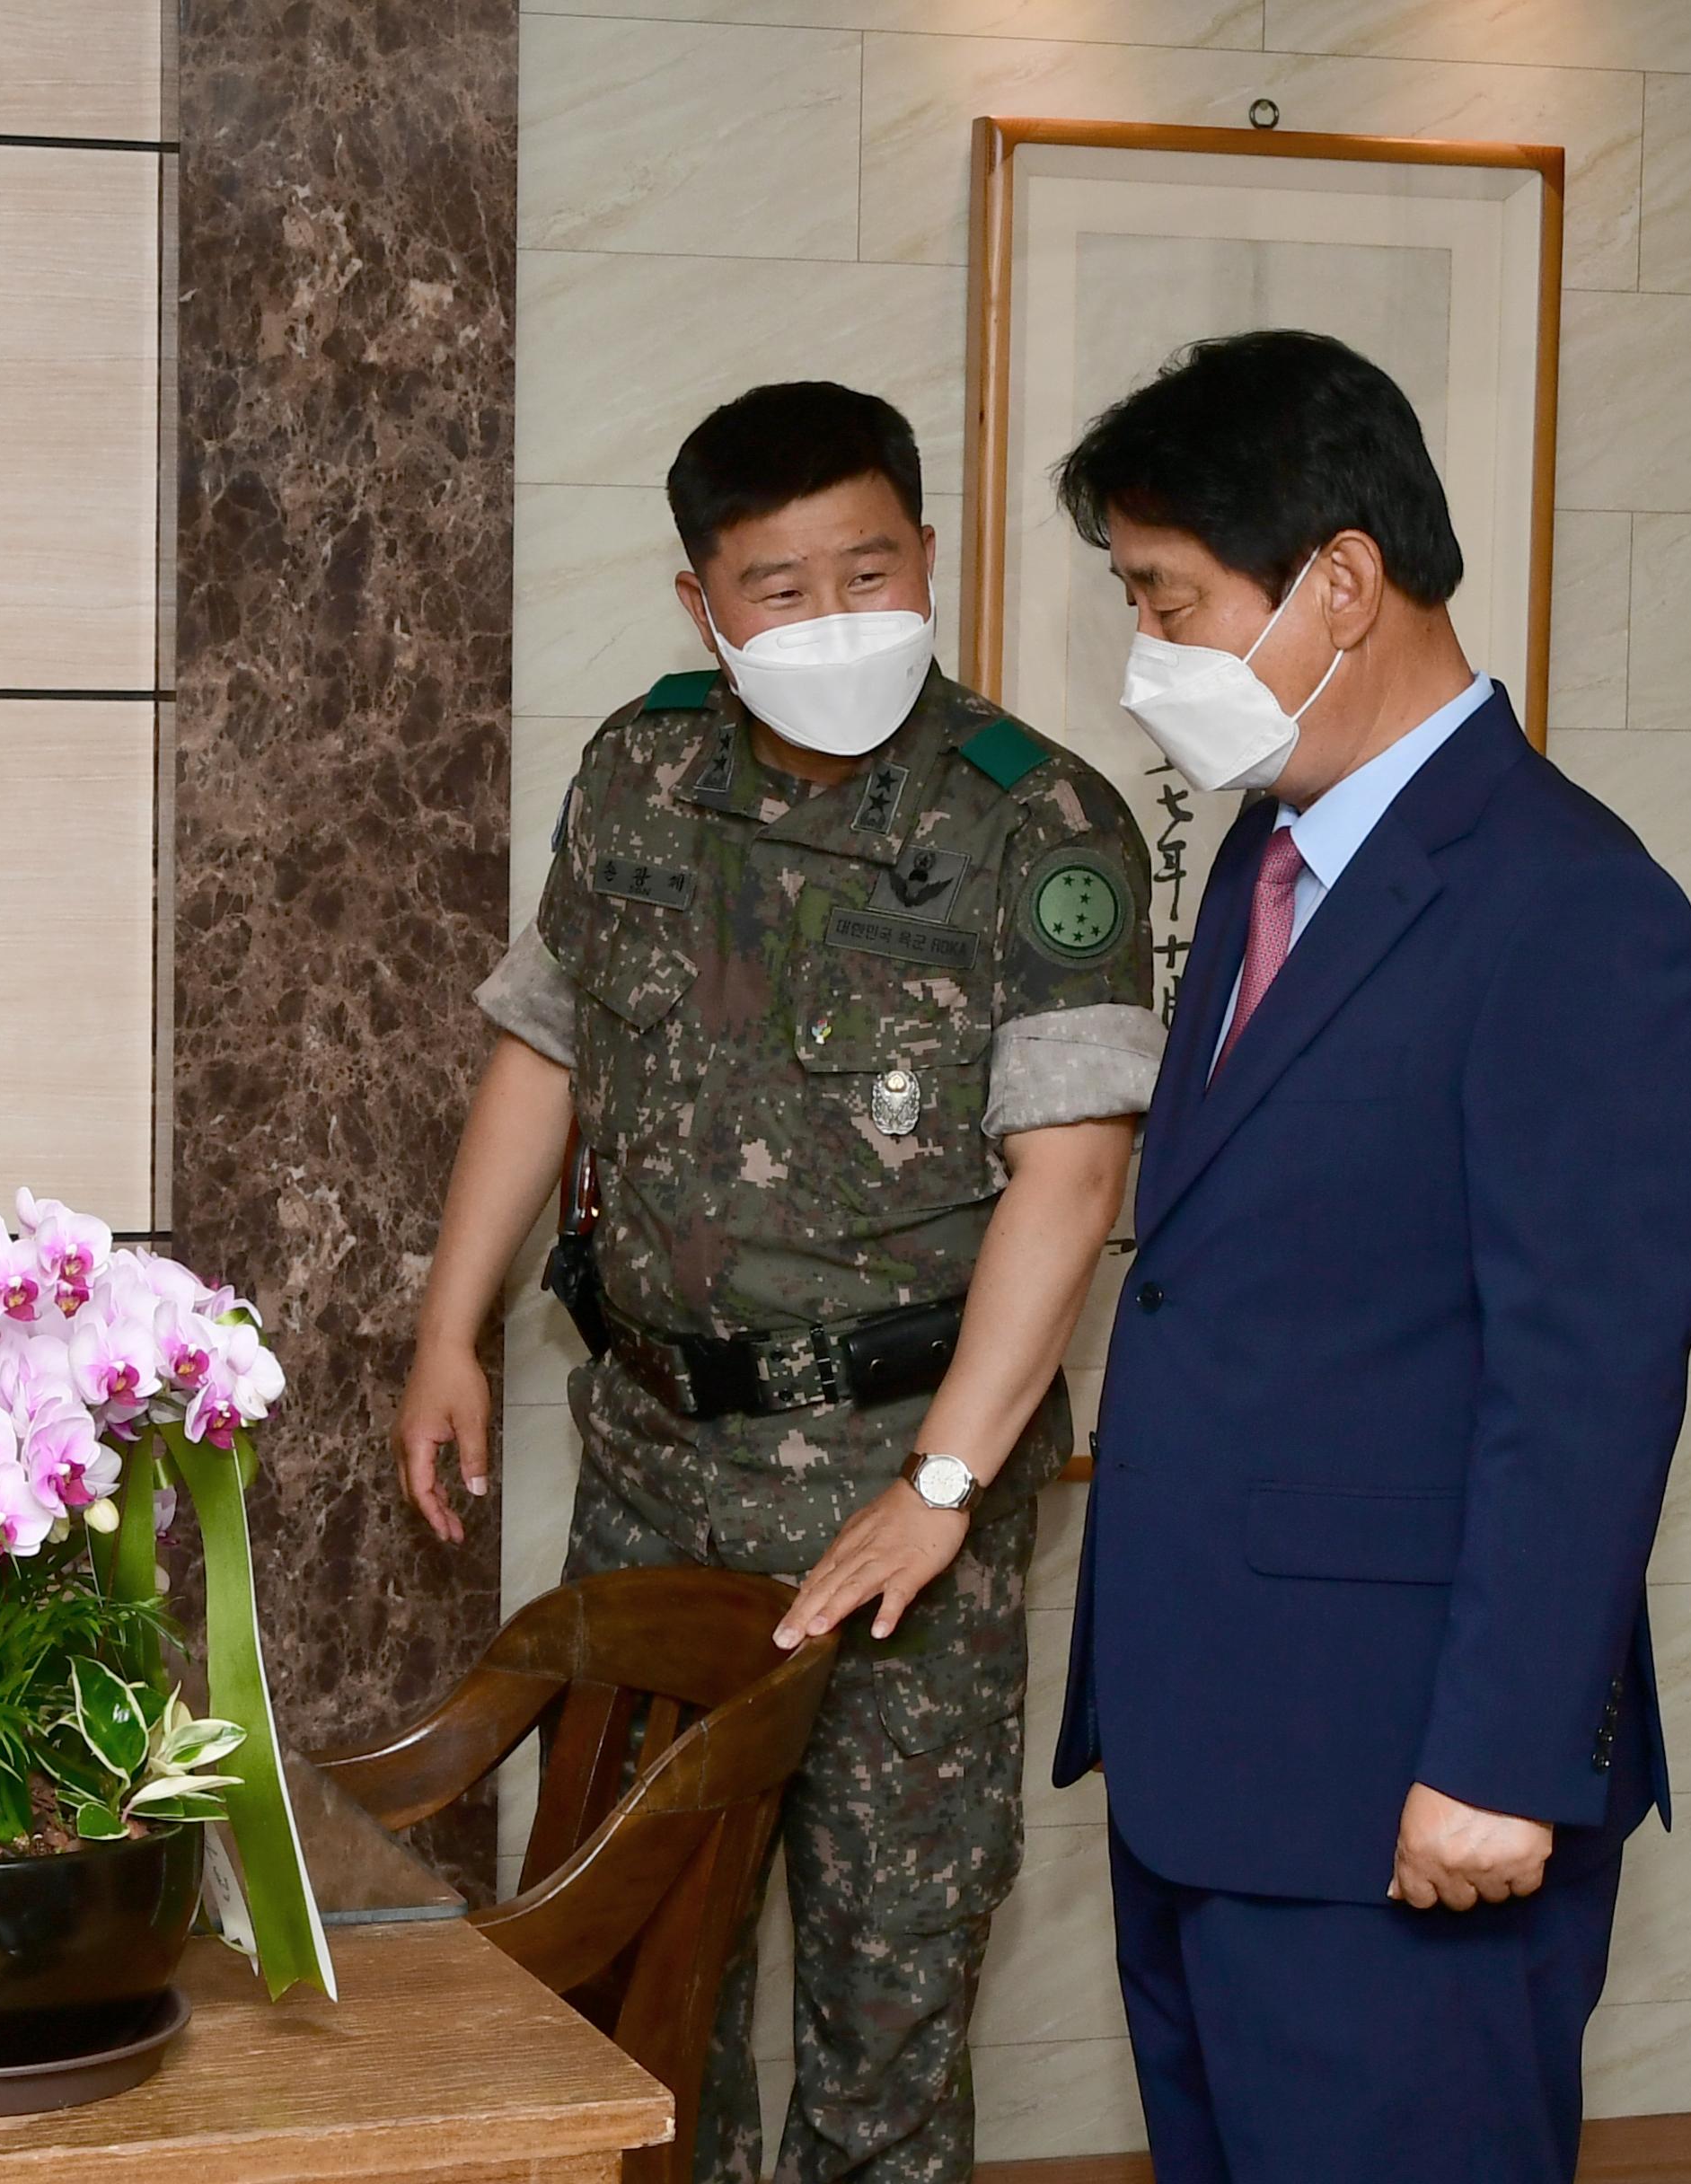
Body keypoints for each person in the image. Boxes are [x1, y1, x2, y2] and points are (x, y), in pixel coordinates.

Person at [394, 380, 1163, 2183]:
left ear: (927, 559)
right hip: (656, 1457)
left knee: (888, 1976)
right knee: (629, 1961)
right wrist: (448, 1325)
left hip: (898, 1486)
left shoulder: (1035, 827)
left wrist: (946, 1487)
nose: (831, 619)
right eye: (780, 584)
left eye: (868, 569)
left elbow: (1076, 1175)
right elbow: (545, 1051)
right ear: (703, 606)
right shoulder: (645, 767)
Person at [1051, 330, 1691, 2181]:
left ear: (1338, 582)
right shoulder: (1278, 861)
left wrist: (1504, 1757)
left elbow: (1587, 1372)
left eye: (1172, 602)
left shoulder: (1571, 904)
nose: (1151, 658)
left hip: (1407, 1783)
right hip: (1210, 1764)